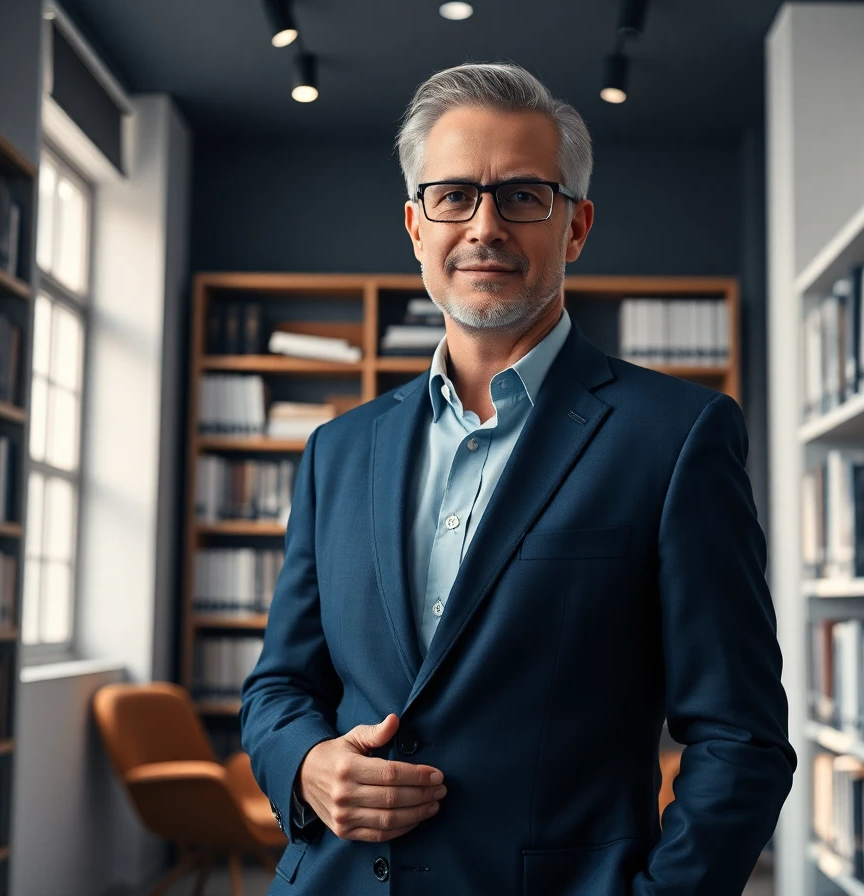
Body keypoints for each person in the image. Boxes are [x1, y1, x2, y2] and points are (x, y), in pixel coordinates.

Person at [240, 61, 795, 895]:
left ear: (575, 227)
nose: (485, 226)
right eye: (454, 196)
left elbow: (740, 737)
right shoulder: (338, 451)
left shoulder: (677, 438)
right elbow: (280, 685)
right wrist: (309, 765)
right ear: (416, 226)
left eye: (524, 196)